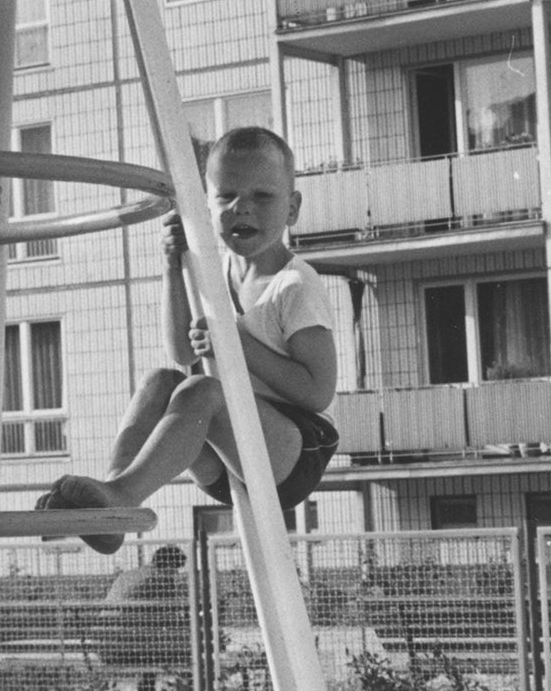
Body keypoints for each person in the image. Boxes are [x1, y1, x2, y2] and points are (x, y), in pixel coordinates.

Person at [37, 126, 338, 553]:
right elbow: (181, 351)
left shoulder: (294, 285)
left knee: (203, 391)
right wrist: (173, 267)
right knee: (162, 381)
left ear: (292, 208)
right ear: (208, 204)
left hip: (293, 452)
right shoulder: (211, 273)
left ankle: (123, 494)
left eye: (262, 197)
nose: (242, 208)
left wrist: (237, 345)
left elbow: (317, 392)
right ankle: (115, 494)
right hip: (230, 446)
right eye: (226, 196)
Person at [98, 543, 191, 691]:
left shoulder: (131, 575)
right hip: (125, 646)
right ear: (168, 565)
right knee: (189, 657)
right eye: (175, 568)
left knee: (151, 655)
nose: (176, 574)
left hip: (107, 644)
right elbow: (168, 619)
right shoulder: (159, 580)